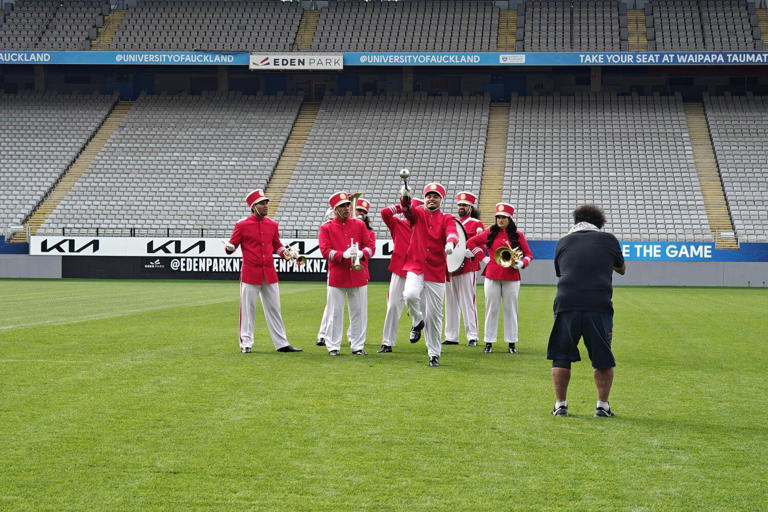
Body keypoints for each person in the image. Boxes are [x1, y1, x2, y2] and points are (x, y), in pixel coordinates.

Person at [547, 204, 626, 418]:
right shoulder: (609, 240)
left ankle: (560, 405)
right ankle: (602, 406)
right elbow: (622, 268)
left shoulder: (563, 241)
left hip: (566, 303)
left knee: (561, 356)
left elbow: (560, 270)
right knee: (602, 357)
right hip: (598, 304)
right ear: (599, 223)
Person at [388, 183, 458, 367]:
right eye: (428, 196)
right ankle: (417, 321)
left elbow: (452, 231)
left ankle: (433, 353)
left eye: (435, 196)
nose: (431, 199)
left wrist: (451, 243)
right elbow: (406, 209)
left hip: (436, 270)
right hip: (416, 265)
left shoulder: (447, 218)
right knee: (409, 295)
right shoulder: (418, 213)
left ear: (441, 200)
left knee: (435, 315)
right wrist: (404, 196)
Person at [225, 189, 302, 354]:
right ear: (253, 206)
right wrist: (229, 248)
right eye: (262, 203)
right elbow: (232, 245)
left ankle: (281, 343)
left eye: (266, 202)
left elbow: (277, 245)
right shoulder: (242, 225)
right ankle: (246, 343)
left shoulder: (272, 224)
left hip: (269, 273)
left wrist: (287, 254)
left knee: (275, 309)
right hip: (250, 274)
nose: (266, 205)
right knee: (247, 309)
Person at [467, 203, 533, 354]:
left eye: (503, 217)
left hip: (511, 275)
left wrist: (521, 263)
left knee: (511, 309)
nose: (500, 220)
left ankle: (511, 343)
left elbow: (529, 254)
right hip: (492, 274)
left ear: (509, 219)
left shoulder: (518, 235)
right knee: (492, 308)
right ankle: (488, 342)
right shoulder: (490, 232)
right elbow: (470, 243)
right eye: (498, 217)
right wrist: (482, 258)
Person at [318, 191, 375, 356]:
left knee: (359, 313)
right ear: (334, 210)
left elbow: (371, 246)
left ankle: (357, 346)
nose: (346, 208)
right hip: (337, 275)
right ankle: (333, 346)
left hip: (358, 274)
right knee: (334, 312)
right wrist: (341, 255)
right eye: (342, 206)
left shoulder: (359, 225)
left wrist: (362, 253)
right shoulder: (326, 228)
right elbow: (325, 251)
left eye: (347, 205)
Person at [378, 197, 425, 353]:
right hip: (400, 269)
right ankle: (387, 342)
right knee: (392, 306)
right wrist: (403, 206)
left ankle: (431, 343)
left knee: (426, 307)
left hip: (420, 270)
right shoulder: (398, 224)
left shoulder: (425, 227)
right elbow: (384, 213)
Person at [444, 191, 484, 347]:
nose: (461, 207)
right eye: (460, 205)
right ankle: (451, 335)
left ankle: (472, 335)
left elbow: (481, 244)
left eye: (465, 205)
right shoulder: (452, 222)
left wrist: (471, 253)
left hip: (468, 266)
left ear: (470, 207)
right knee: (450, 302)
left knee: (468, 301)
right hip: (451, 266)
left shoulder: (476, 223)